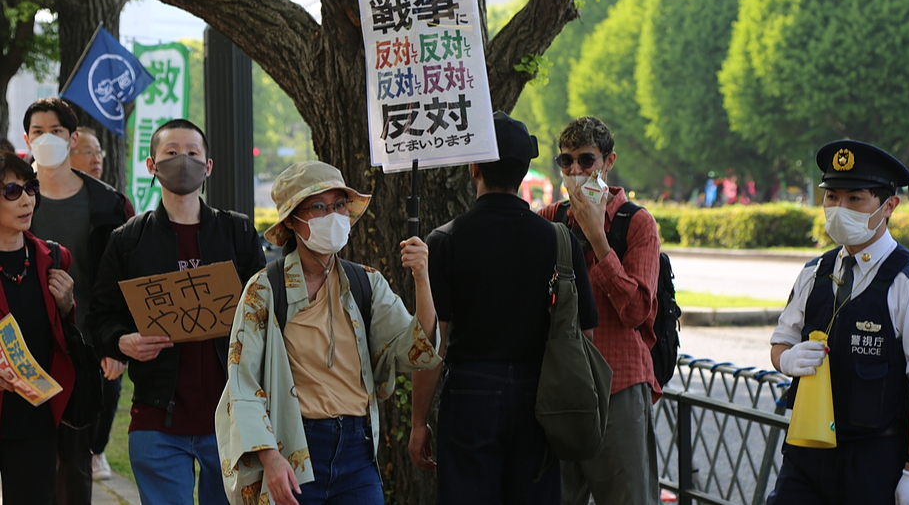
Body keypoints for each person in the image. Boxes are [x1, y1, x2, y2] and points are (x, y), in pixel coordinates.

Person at [215, 160, 440, 505]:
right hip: (295, 449)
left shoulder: (366, 282)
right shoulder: (265, 289)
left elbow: (415, 347)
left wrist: (422, 277)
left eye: (338, 206)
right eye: (318, 207)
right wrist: (270, 458)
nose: (332, 215)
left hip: (356, 448)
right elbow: (243, 381)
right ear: (292, 220)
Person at [409, 111, 598, 504]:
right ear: (525, 170)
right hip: (539, 394)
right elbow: (585, 334)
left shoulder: (444, 241)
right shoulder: (560, 241)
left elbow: (434, 343)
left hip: (469, 394)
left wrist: (418, 421)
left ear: (474, 165)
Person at [88, 119, 265, 505]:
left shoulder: (238, 233)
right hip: (157, 420)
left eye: (191, 153)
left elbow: (266, 312)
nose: (181, 162)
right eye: (170, 154)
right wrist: (123, 341)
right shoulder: (128, 241)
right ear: (151, 166)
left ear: (208, 166)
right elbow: (100, 317)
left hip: (233, 420)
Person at [768, 140, 909, 505]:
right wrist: (786, 359)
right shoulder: (814, 273)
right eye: (831, 197)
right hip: (806, 453)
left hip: (875, 458)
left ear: (888, 206)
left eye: (855, 199)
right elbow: (780, 341)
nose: (839, 209)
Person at [537, 116, 662, 505]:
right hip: (559, 385)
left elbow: (638, 310)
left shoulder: (637, 224)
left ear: (608, 162)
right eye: (566, 162)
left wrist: (597, 238)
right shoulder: (549, 219)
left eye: (586, 161)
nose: (575, 171)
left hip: (619, 383)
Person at [23, 98, 134, 503]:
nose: (46, 138)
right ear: (26, 139)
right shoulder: (11, 196)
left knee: (74, 465)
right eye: (38, 131)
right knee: (25, 466)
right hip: (19, 353)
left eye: (56, 131)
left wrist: (114, 343)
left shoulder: (109, 205)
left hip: (81, 352)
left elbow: (124, 279)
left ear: (72, 139)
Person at [0, 151, 76, 505]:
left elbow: (60, 339)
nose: (27, 199)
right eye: (12, 191)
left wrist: (66, 306)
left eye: (30, 187)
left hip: (35, 420)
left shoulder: (53, 258)